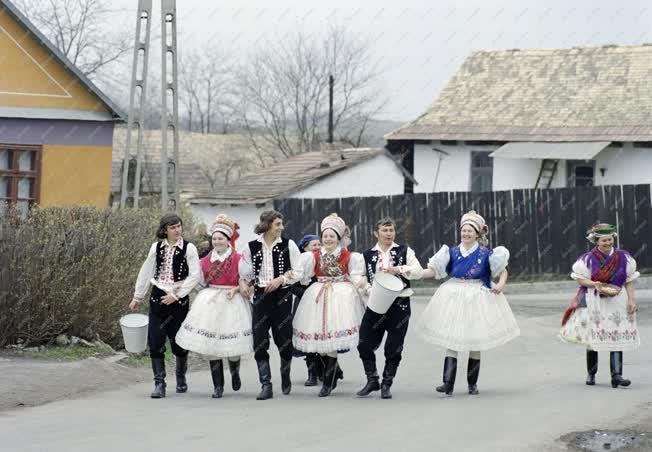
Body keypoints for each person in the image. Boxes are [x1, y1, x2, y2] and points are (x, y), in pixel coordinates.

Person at [417, 210, 520, 396]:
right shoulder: (451, 252)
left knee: (475, 340)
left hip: (477, 295)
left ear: (477, 234)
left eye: (470, 231)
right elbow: (433, 270)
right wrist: (414, 273)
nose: (466, 234)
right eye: (463, 231)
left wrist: (501, 284)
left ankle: (472, 384)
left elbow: (503, 270)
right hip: (454, 294)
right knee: (452, 339)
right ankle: (447, 383)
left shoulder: (486, 253)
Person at [175, 215, 253, 398]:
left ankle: (235, 372)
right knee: (212, 346)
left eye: (221, 238)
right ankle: (218, 386)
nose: (217, 242)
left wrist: (235, 289)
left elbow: (247, 282)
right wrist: (182, 285)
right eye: (215, 239)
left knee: (232, 348)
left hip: (232, 301)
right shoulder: (204, 261)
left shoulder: (239, 259)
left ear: (228, 240)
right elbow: (200, 283)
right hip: (209, 301)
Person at [292, 213, 366, 397]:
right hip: (318, 294)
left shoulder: (349, 256)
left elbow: (356, 276)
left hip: (341, 295)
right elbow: (301, 274)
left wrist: (365, 287)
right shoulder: (313, 256)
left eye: (332, 236)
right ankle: (331, 376)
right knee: (321, 339)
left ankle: (328, 381)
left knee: (332, 338)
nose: (328, 239)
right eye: (325, 236)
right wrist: (284, 278)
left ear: (338, 238)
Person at [559, 222, 640, 388]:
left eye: (610, 240)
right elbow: (580, 278)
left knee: (616, 335)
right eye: (604, 241)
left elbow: (630, 280)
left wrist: (631, 299)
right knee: (594, 336)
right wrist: (594, 284)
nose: (608, 243)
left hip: (618, 300)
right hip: (595, 300)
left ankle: (617, 375)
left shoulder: (624, 258)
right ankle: (591, 372)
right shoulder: (587, 260)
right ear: (596, 241)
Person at [129, 214, 200, 399]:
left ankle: (180, 376)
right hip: (158, 296)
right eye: (173, 227)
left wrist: (176, 295)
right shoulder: (157, 247)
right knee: (156, 341)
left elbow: (195, 276)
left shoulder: (189, 248)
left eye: (179, 226)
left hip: (179, 298)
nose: (177, 230)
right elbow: (146, 271)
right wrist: (138, 296)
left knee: (179, 342)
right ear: (165, 230)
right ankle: (159, 383)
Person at [356, 217, 423, 399]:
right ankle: (372, 379)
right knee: (363, 343)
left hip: (399, 304)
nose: (388, 234)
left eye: (391, 230)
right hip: (375, 304)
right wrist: (366, 287)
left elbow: (418, 271)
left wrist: (399, 269)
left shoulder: (404, 251)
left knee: (393, 347)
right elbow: (359, 276)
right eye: (384, 231)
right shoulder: (367, 255)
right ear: (376, 233)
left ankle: (387, 383)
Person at [239, 210, 302, 400]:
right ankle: (266, 384)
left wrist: (281, 279)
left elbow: (298, 271)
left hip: (282, 297)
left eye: (281, 224)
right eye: (277, 224)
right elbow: (245, 273)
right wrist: (244, 284)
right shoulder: (250, 247)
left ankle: (285, 373)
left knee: (284, 341)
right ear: (266, 225)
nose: (281, 228)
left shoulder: (288, 244)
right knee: (260, 341)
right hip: (260, 298)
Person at [290, 234, 324, 386]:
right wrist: (307, 294)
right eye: (313, 245)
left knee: (323, 335)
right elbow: (292, 284)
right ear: (304, 248)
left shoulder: (324, 260)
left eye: (319, 244)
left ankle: (328, 368)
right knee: (308, 335)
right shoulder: (298, 264)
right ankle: (312, 373)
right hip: (304, 302)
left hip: (323, 301)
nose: (317, 247)